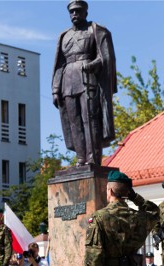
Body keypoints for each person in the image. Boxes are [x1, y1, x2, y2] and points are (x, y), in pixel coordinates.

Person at [52, 0, 117, 166]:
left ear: (85, 13)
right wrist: (55, 89)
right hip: (68, 82)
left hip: (88, 80)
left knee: (90, 120)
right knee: (74, 122)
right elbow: (59, 65)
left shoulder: (94, 30)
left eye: (78, 11)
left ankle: (93, 158)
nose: (75, 14)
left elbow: (105, 57)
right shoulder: (64, 36)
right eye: (72, 12)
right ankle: (81, 158)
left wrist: (92, 65)